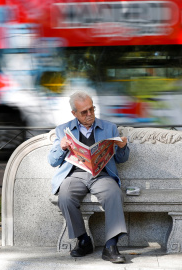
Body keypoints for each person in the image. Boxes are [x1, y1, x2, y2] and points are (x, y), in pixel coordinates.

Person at [48, 91, 129, 263]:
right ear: (74, 113)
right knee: (65, 197)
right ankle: (83, 240)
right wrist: (62, 147)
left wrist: (122, 147)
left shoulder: (109, 128)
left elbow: (122, 159)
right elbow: (52, 162)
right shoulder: (63, 130)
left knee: (114, 194)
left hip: (101, 175)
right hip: (75, 175)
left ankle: (111, 246)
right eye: (84, 112)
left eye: (91, 109)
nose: (89, 114)